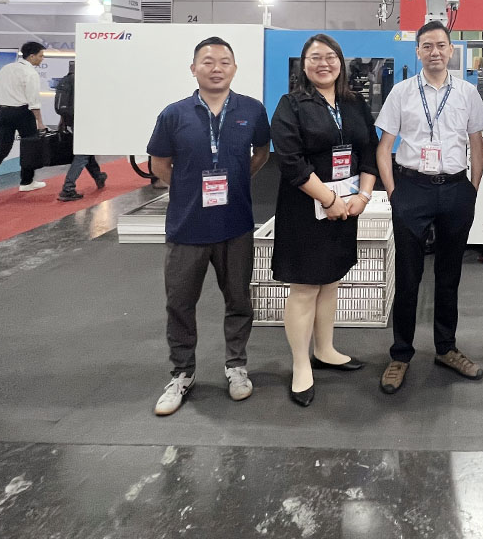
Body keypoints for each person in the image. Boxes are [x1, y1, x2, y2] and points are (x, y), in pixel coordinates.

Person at [146, 37, 271, 417]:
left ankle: (236, 366)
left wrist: (237, 181)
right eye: (208, 61)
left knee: (239, 300)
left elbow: (261, 153)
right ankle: (182, 373)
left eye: (224, 61)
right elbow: (159, 164)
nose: (216, 68)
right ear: (194, 68)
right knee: (180, 304)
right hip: (187, 228)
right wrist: (188, 190)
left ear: (234, 68)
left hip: (236, 225)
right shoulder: (174, 114)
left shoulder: (252, 110)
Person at [374, 21, 483, 394]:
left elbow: (477, 144)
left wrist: (471, 190)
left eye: (441, 45)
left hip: (455, 189)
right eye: (427, 46)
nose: (434, 51)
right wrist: (394, 193)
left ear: (451, 50)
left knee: (449, 274)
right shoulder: (402, 92)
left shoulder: (467, 93)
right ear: (418, 52)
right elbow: (384, 148)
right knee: (408, 276)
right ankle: (400, 354)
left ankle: (446, 348)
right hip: (412, 189)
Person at [270, 34, 378, 407]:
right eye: (315, 57)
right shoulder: (291, 105)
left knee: (331, 281)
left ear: (340, 62)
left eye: (330, 56)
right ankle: (301, 365)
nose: (323, 63)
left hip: (346, 206)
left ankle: (325, 349)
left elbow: (369, 150)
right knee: (305, 287)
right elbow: (290, 160)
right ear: (303, 65)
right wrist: (328, 199)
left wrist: (363, 196)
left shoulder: (354, 103)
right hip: (305, 208)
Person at [0, 41, 49, 198]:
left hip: (3, 112)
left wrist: (0, 108)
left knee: (3, 148)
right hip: (22, 112)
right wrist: (40, 122)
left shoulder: (6, 68)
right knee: (29, 146)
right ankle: (26, 182)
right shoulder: (30, 73)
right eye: (40, 56)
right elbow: (33, 101)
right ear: (31, 56)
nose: (42, 59)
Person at [54, 62, 107, 202]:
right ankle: (68, 188)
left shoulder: (66, 80)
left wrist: (63, 120)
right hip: (84, 121)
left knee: (86, 149)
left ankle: (98, 176)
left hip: (72, 121)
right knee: (83, 154)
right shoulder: (82, 81)